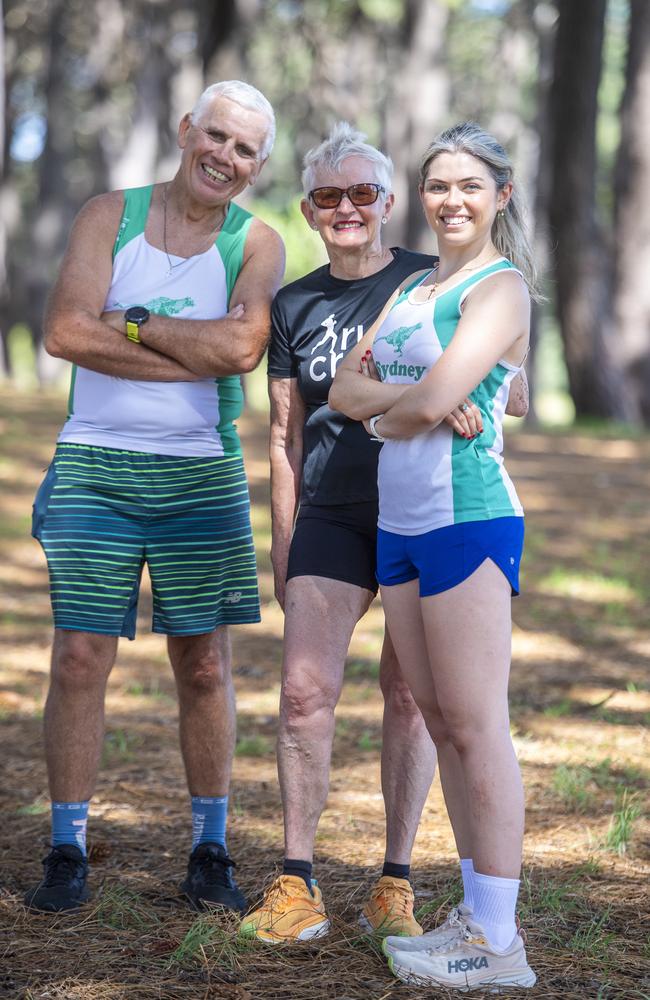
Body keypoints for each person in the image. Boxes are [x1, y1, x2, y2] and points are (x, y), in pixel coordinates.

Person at [239, 123, 528, 944]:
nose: (347, 209)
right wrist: (284, 540)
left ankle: (396, 882)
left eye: (363, 193)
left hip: (432, 511)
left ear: (387, 201)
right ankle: (297, 880)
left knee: (419, 702)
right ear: (309, 209)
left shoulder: (439, 277)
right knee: (304, 695)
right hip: (334, 511)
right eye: (329, 197)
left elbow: (509, 388)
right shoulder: (303, 302)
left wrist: (449, 391)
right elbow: (301, 422)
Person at [24, 80, 285, 915]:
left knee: (204, 665)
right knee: (78, 658)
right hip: (95, 466)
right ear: (185, 130)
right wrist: (192, 349)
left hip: (199, 474)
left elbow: (243, 347)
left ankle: (210, 847)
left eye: (245, 149)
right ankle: (66, 846)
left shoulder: (258, 241)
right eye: (216, 135)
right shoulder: (111, 215)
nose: (225, 156)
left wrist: (128, 322)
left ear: (256, 166)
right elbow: (65, 331)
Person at [329, 122, 537, 991]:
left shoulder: (502, 288)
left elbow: (440, 399)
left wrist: (400, 404)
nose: (451, 199)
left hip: (468, 519)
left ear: (500, 196)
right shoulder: (414, 285)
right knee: (440, 720)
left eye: (469, 186)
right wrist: (404, 404)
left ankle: (499, 943)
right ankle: (477, 921)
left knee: (476, 721)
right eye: (438, 185)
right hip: (401, 524)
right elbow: (340, 386)